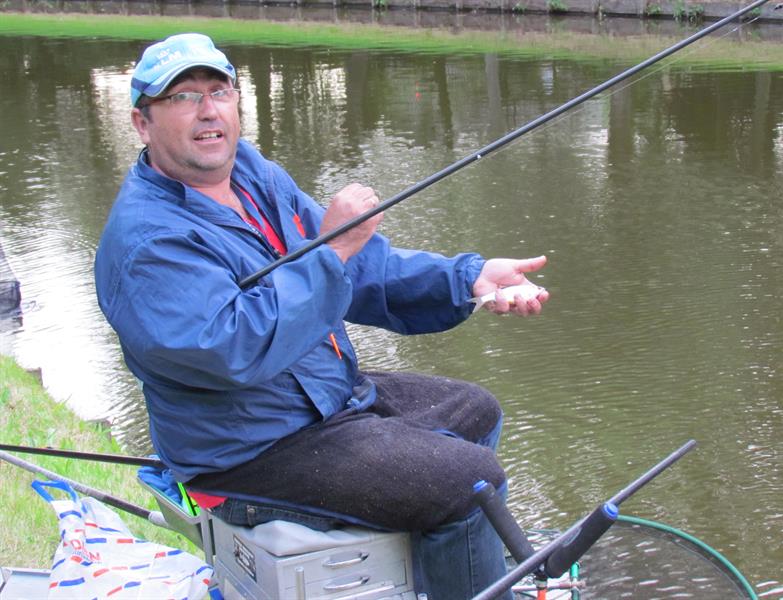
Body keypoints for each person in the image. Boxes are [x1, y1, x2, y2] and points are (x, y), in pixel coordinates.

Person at [94, 33, 549, 599]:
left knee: (476, 412)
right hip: (246, 450)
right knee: (468, 484)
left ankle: (441, 571)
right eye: (183, 96)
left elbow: (362, 265)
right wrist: (331, 252)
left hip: (319, 398)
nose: (208, 110)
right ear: (142, 123)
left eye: (219, 90)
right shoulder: (149, 242)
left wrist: (468, 279)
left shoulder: (252, 174)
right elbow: (233, 347)